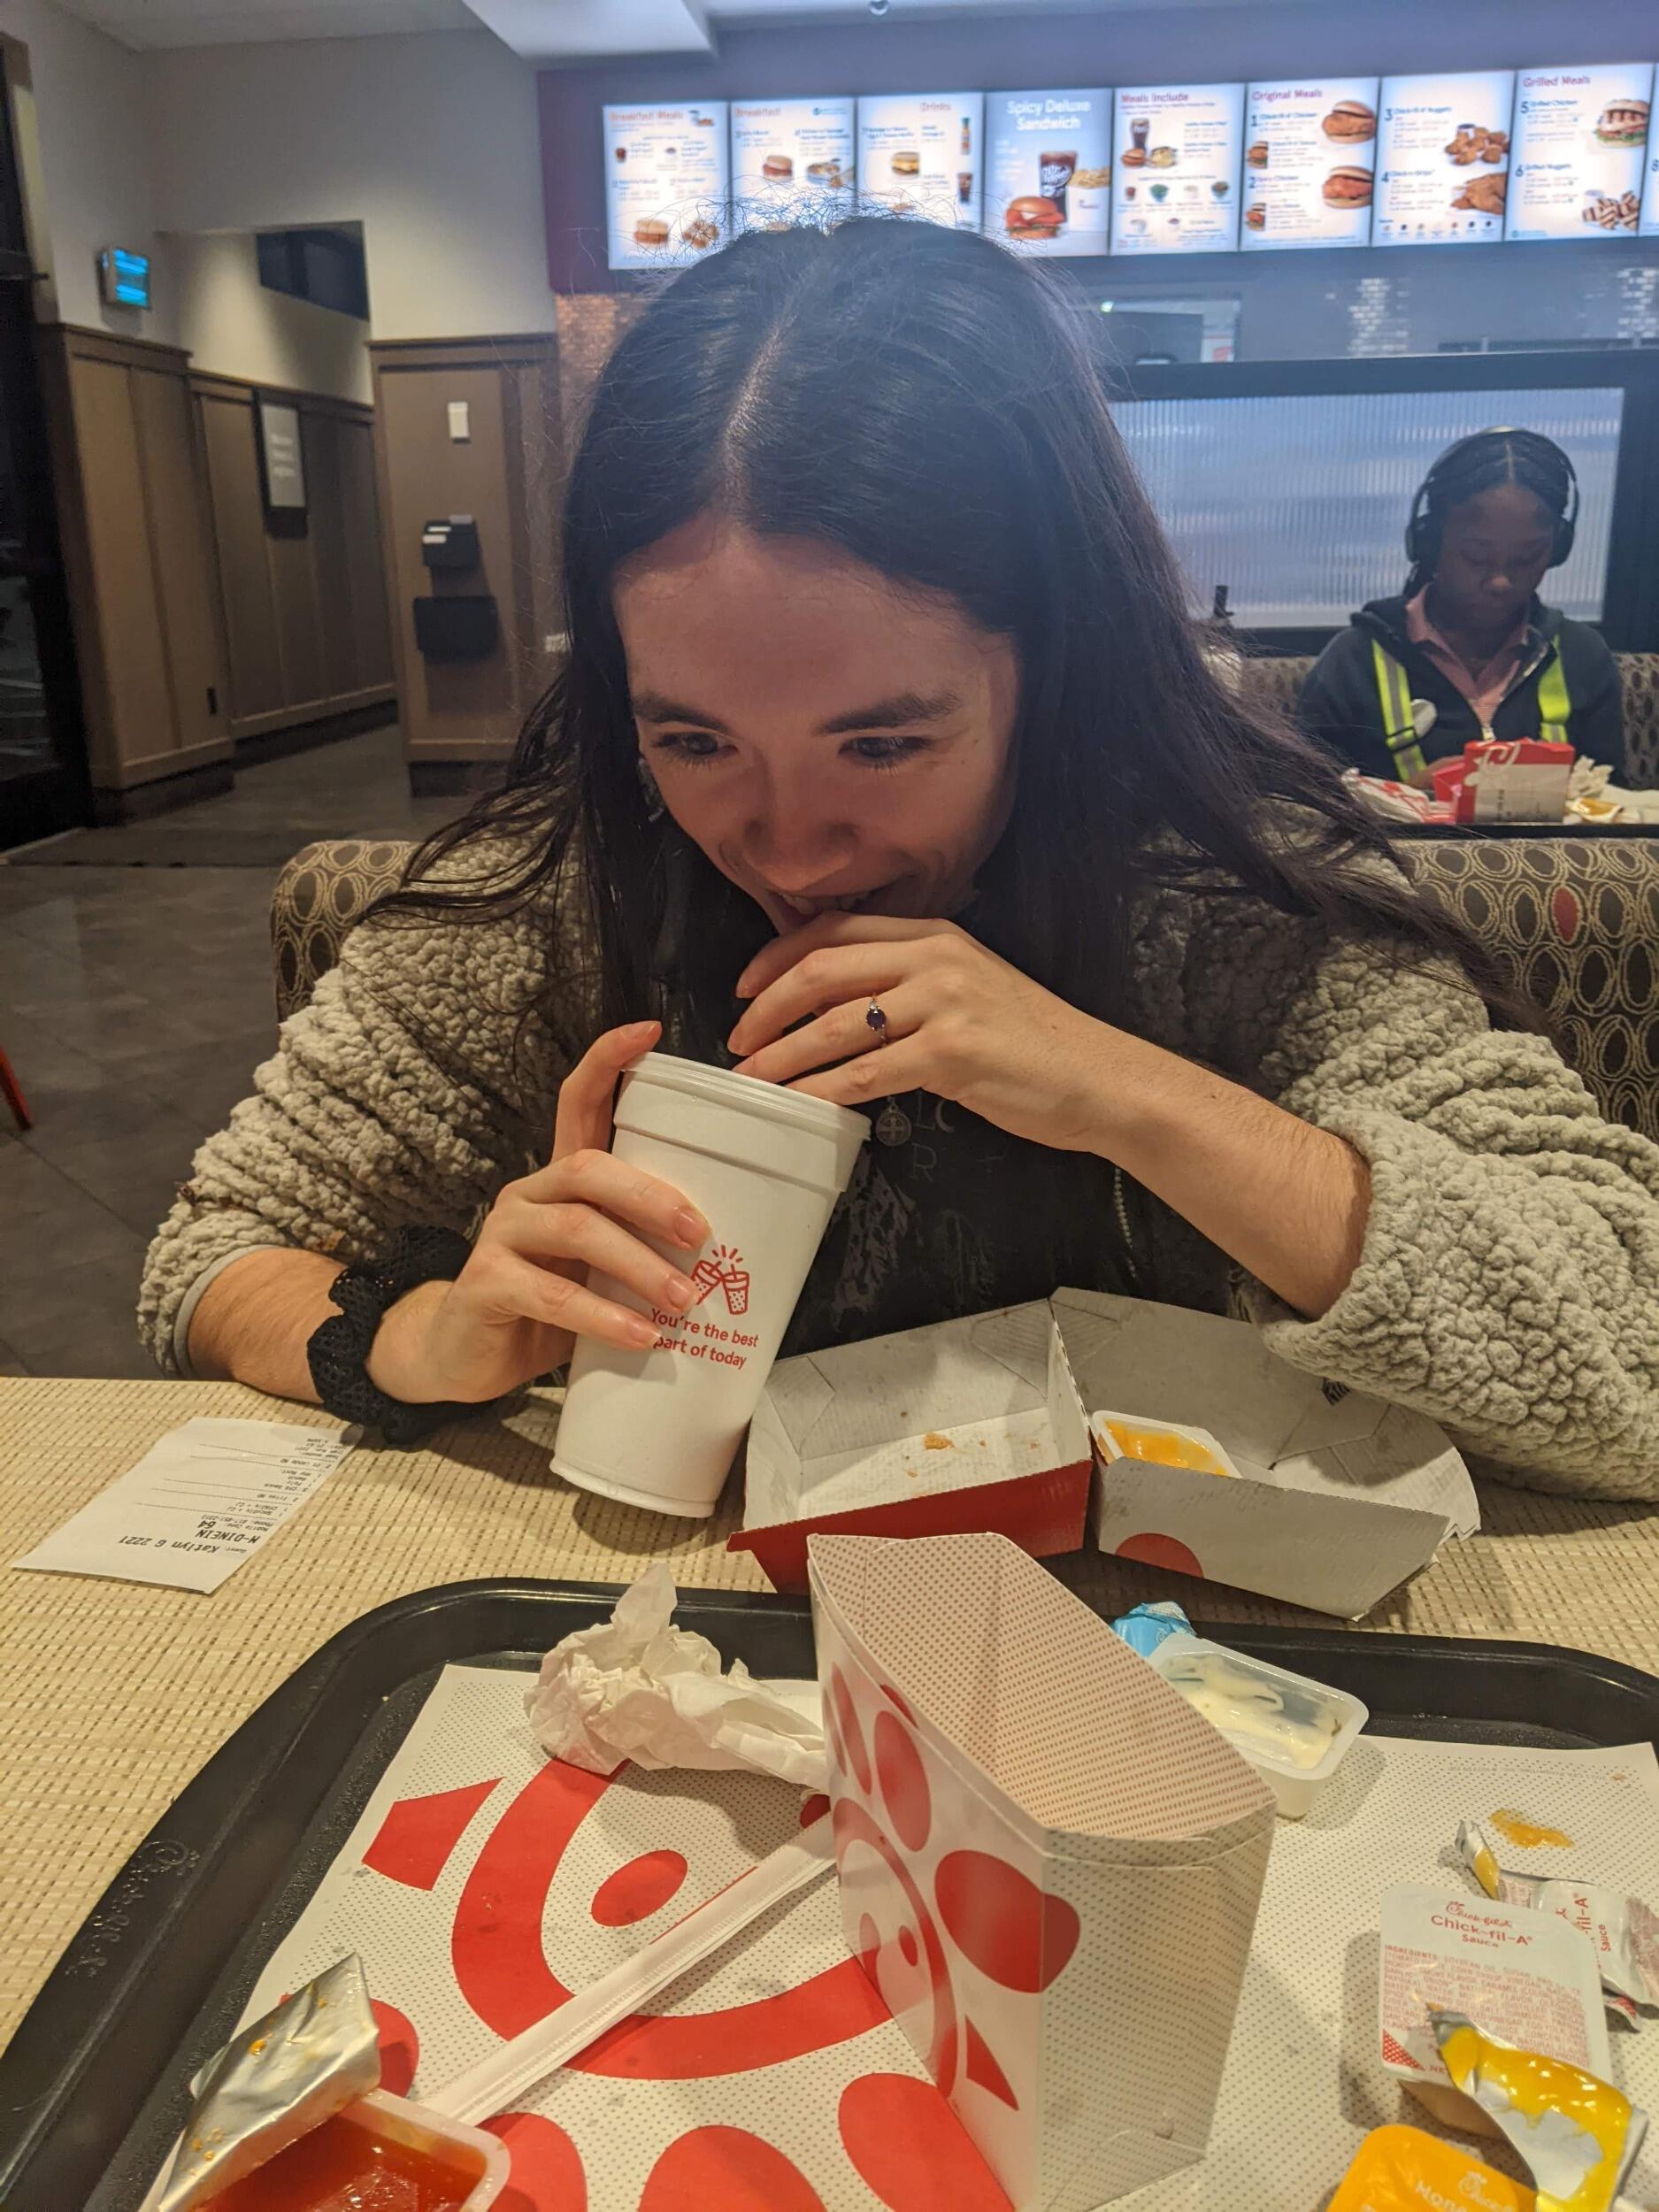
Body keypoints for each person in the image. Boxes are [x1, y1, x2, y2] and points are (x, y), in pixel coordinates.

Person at [140, 222, 1659, 1499]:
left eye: (882, 746)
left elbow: (1631, 1331)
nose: (788, 845)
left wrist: (1133, 1096)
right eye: (697, 740)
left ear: (1048, 672)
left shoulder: (1236, 887)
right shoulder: (557, 892)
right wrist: (420, 1335)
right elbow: (213, 1253)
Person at [1298, 426, 1624, 786]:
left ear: (1557, 550)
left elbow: (1615, 810)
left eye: (1527, 558)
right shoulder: (1354, 661)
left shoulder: (1582, 657)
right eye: (1476, 556)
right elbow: (1300, 815)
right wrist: (1410, 800)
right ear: (1430, 542)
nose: (1501, 581)